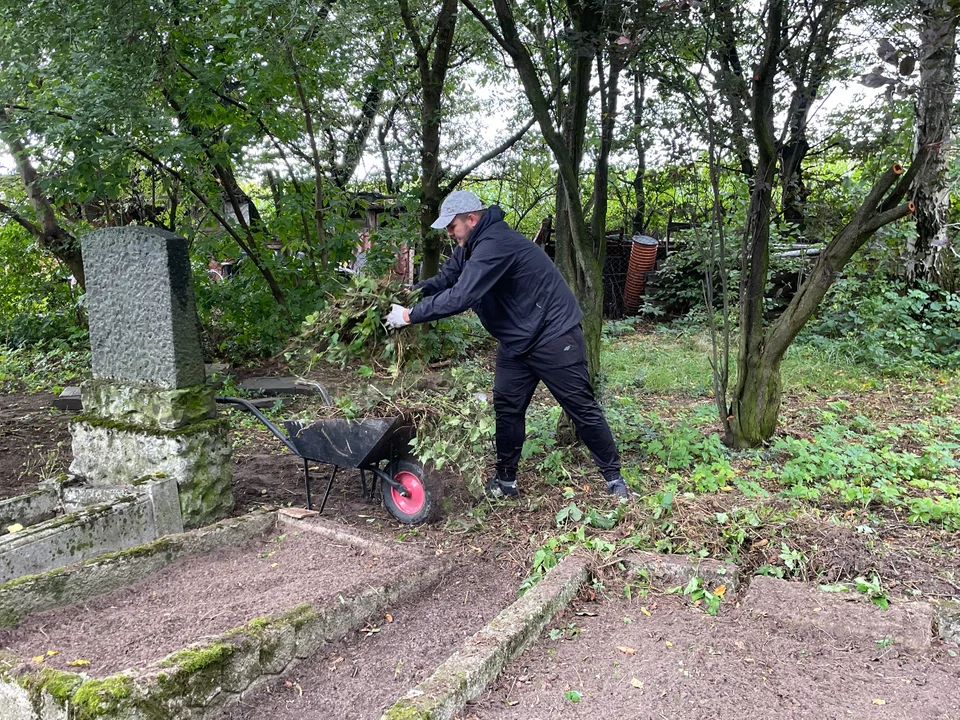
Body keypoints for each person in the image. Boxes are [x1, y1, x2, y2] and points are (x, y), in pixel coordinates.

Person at [384, 190, 629, 499]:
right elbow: (447, 279)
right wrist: (409, 293)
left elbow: (462, 296)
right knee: (508, 409)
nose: (448, 232)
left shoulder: (494, 244)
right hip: (516, 341)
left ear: (471, 219)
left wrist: (408, 316)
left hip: (554, 335)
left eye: (451, 226)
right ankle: (505, 482)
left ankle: (614, 480)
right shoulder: (470, 245)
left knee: (580, 406)